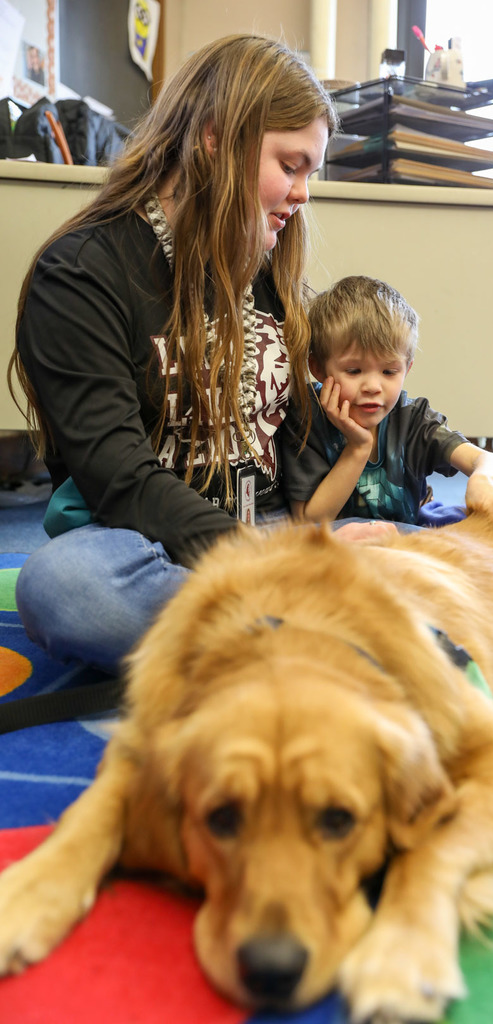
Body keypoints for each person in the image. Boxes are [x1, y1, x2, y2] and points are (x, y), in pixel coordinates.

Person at [8, 34, 340, 675]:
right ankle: (325, 635)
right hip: (151, 548)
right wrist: (274, 564)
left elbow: (327, 420)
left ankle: (279, 638)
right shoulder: (80, 274)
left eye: (311, 173)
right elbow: (122, 483)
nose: (302, 196)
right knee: (63, 587)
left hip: (276, 528)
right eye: (290, 165)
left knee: (437, 533)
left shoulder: (268, 264)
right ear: (214, 139)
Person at [283, 275, 493, 525]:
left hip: (402, 547)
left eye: (389, 372)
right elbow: (310, 522)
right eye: (353, 371)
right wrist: (358, 448)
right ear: (317, 368)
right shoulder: (306, 417)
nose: (373, 387)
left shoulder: (412, 419)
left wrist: (484, 480)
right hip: (338, 555)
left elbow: (487, 460)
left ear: (407, 368)